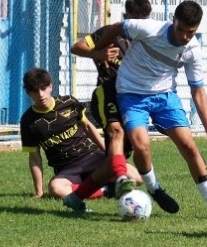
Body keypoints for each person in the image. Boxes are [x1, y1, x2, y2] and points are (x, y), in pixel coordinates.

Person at [93, 0, 207, 220]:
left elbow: (197, 91)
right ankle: (154, 188)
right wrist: (99, 50)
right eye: (182, 30)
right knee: (142, 146)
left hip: (165, 96)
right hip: (131, 94)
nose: (185, 36)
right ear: (173, 20)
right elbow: (117, 28)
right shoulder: (148, 28)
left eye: (191, 32)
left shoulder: (192, 50)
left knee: (189, 146)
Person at [20, 67, 142, 213]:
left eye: (43, 88)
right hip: (67, 170)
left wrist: (108, 153)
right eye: (35, 91)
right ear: (28, 93)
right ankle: (106, 190)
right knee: (55, 188)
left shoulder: (69, 103)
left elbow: (89, 128)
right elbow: (34, 158)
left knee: (136, 178)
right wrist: (39, 192)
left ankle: (96, 187)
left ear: (50, 86)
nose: (41, 94)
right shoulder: (28, 121)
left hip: (92, 156)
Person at [71, 0, 152, 196]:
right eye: (136, 20)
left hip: (132, 99)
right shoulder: (111, 33)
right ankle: (120, 180)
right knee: (116, 132)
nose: (140, 25)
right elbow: (76, 47)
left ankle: (84, 192)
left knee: (121, 162)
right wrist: (97, 54)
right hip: (107, 91)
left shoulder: (150, 39)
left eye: (145, 20)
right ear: (126, 16)